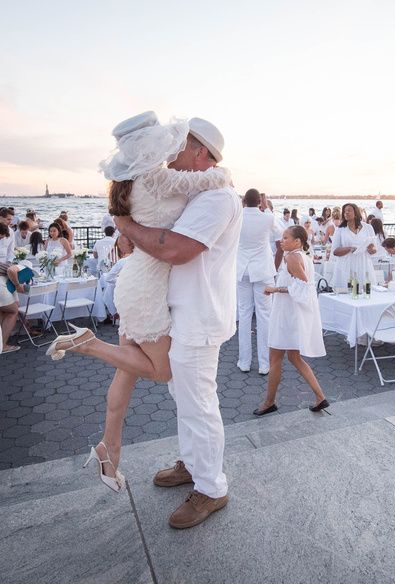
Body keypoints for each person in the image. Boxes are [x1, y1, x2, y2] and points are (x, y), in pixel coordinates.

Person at [52, 114, 238, 529]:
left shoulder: (218, 197)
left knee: (198, 403)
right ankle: (193, 465)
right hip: (170, 305)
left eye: (182, 145)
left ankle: (211, 488)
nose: (173, 152)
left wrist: (126, 224)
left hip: (197, 314)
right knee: (185, 400)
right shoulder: (185, 187)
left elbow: (175, 249)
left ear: (201, 151)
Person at [254, 226, 327, 415]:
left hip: (287, 315)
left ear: (297, 241)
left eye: (285, 238)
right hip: (292, 313)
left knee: (275, 358)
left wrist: (275, 289)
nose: (281, 240)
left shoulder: (293, 257)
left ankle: (269, 402)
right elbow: (302, 286)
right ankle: (320, 397)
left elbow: (305, 288)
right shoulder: (302, 257)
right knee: (294, 357)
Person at [236, 188, 277, 375]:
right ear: (259, 202)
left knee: (244, 315)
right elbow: (280, 234)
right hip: (262, 270)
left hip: (242, 269)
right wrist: (266, 207)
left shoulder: (237, 217)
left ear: (244, 201)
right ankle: (264, 363)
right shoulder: (267, 217)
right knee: (264, 316)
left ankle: (244, 362)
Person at [331, 203, 378, 288]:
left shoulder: (368, 228)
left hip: (364, 265)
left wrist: (371, 248)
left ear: (356, 213)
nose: (346, 213)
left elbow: (374, 250)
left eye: (349, 210)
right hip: (346, 266)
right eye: (345, 211)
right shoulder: (340, 230)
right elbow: (335, 251)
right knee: (347, 294)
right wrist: (349, 248)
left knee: (365, 293)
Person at [102, 235, 134, 321]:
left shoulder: (122, 262)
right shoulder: (143, 260)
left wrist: (121, 281)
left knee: (109, 289)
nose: (119, 246)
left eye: (120, 244)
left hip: (126, 296)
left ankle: (114, 314)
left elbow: (108, 278)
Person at [0, 260, 29, 353]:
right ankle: (3, 345)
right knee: (13, 311)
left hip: (4, 288)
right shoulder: (22, 267)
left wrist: (16, 299)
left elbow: (11, 283)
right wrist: (17, 285)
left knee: (3, 311)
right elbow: (11, 271)